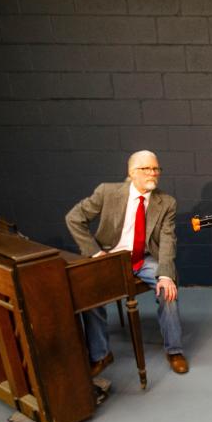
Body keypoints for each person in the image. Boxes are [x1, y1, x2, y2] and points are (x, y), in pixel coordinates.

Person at [65, 150, 189, 375]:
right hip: (110, 257)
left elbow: (168, 240)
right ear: (132, 173)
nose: (153, 173)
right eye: (147, 169)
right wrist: (93, 253)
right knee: (87, 293)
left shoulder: (167, 202)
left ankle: (174, 350)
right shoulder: (107, 192)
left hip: (144, 259)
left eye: (156, 169)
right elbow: (74, 218)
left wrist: (166, 275)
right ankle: (101, 354)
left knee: (168, 291)